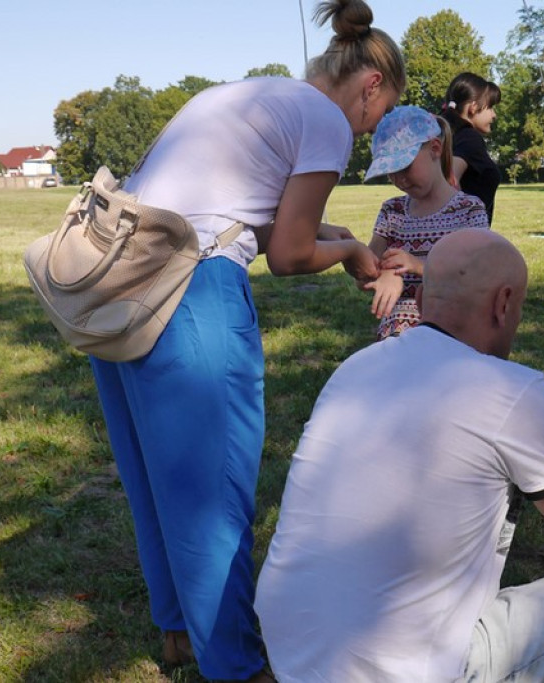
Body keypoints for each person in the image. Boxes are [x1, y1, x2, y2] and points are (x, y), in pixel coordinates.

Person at [84, 2, 405, 680]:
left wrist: (339, 237)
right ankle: (234, 664)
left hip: (119, 283)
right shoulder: (326, 122)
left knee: (153, 476)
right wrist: (349, 252)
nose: (366, 133)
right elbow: (287, 253)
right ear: (369, 85)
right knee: (214, 489)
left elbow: (249, 214)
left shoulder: (249, 95)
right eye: (374, 119)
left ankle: (179, 631)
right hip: (191, 292)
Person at [256, 228, 544, 683]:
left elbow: (451, 446)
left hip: (297, 654)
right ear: (504, 303)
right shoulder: (512, 389)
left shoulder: (356, 368)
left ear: (422, 299)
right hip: (411, 669)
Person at [361, 105, 488, 339]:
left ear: (435, 149)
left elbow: (478, 277)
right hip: (397, 342)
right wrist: (382, 275)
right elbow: (365, 273)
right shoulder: (393, 211)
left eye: (404, 167)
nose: (399, 180)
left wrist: (418, 266)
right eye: (390, 172)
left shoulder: (469, 210)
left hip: (452, 338)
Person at [442, 72, 502, 224]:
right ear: (474, 107)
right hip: (467, 237)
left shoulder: (445, 133)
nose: (494, 115)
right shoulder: (469, 138)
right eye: (491, 107)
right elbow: (450, 179)